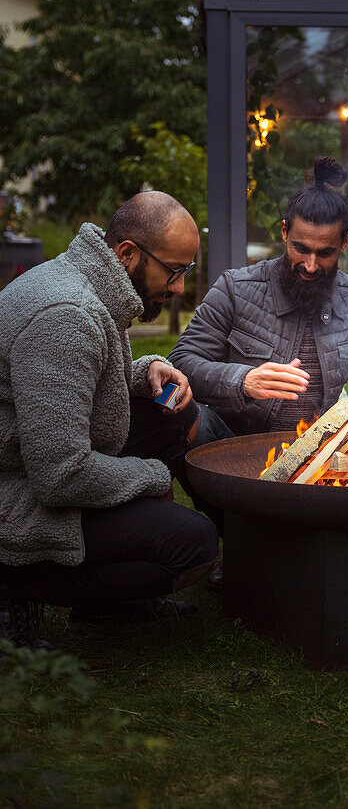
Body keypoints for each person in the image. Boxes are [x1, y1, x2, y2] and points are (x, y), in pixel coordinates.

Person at [0, 192, 219, 650]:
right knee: (192, 547)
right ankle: (15, 588)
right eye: (175, 271)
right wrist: (154, 476)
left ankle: (106, 603)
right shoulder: (66, 315)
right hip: (17, 496)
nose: (180, 287)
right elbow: (59, 475)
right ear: (127, 253)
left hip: (37, 462)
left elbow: (84, 383)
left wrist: (144, 373)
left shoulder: (93, 282)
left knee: (176, 415)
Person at [171, 156, 348, 441]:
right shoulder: (236, 289)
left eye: (325, 253)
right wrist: (243, 381)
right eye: (301, 248)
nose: (310, 265)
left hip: (319, 452)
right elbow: (181, 363)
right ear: (284, 232)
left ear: (344, 242)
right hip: (235, 443)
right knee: (192, 418)